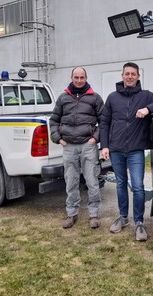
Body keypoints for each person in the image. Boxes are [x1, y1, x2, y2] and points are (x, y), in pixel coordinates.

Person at [100, 62, 153, 241]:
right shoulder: (112, 98)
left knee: (138, 187)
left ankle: (139, 222)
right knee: (120, 184)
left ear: (138, 77)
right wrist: (105, 146)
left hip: (135, 150)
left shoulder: (146, 96)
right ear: (122, 75)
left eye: (133, 74)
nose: (130, 77)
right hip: (116, 149)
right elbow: (104, 122)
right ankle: (123, 217)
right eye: (127, 74)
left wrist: (148, 109)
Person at [50, 67, 104, 229]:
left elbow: (104, 121)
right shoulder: (63, 98)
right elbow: (53, 121)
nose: (79, 80)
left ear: (86, 78)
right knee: (71, 181)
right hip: (69, 147)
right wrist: (58, 139)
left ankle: (93, 215)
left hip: (88, 146)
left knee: (92, 181)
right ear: (71, 78)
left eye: (82, 77)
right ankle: (71, 214)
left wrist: (95, 139)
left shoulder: (94, 98)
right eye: (76, 77)